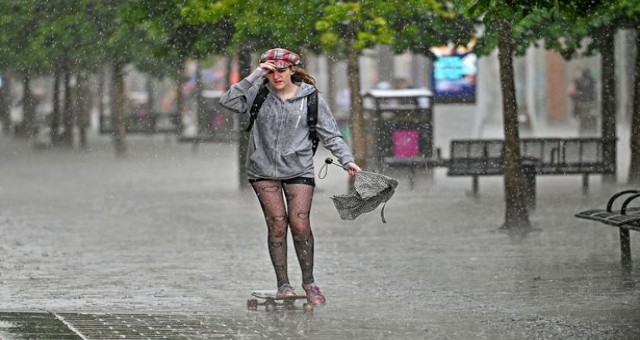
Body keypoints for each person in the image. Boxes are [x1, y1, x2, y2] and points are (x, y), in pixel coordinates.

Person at [220, 48, 361, 305]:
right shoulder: (257, 94)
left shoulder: (311, 99)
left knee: (299, 224)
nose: (276, 77)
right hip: (263, 171)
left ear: (293, 70)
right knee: (276, 224)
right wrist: (255, 74)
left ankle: (310, 282)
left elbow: (331, 134)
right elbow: (228, 101)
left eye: (281, 71)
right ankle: (283, 285)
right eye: (271, 72)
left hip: (299, 169)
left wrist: (347, 160)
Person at [567, 68, 597, 135]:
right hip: (587, 102)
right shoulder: (587, 81)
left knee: (584, 117)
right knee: (588, 117)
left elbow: (572, 92)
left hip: (583, 103)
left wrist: (578, 94)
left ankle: (585, 130)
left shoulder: (580, 81)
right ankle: (590, 130)